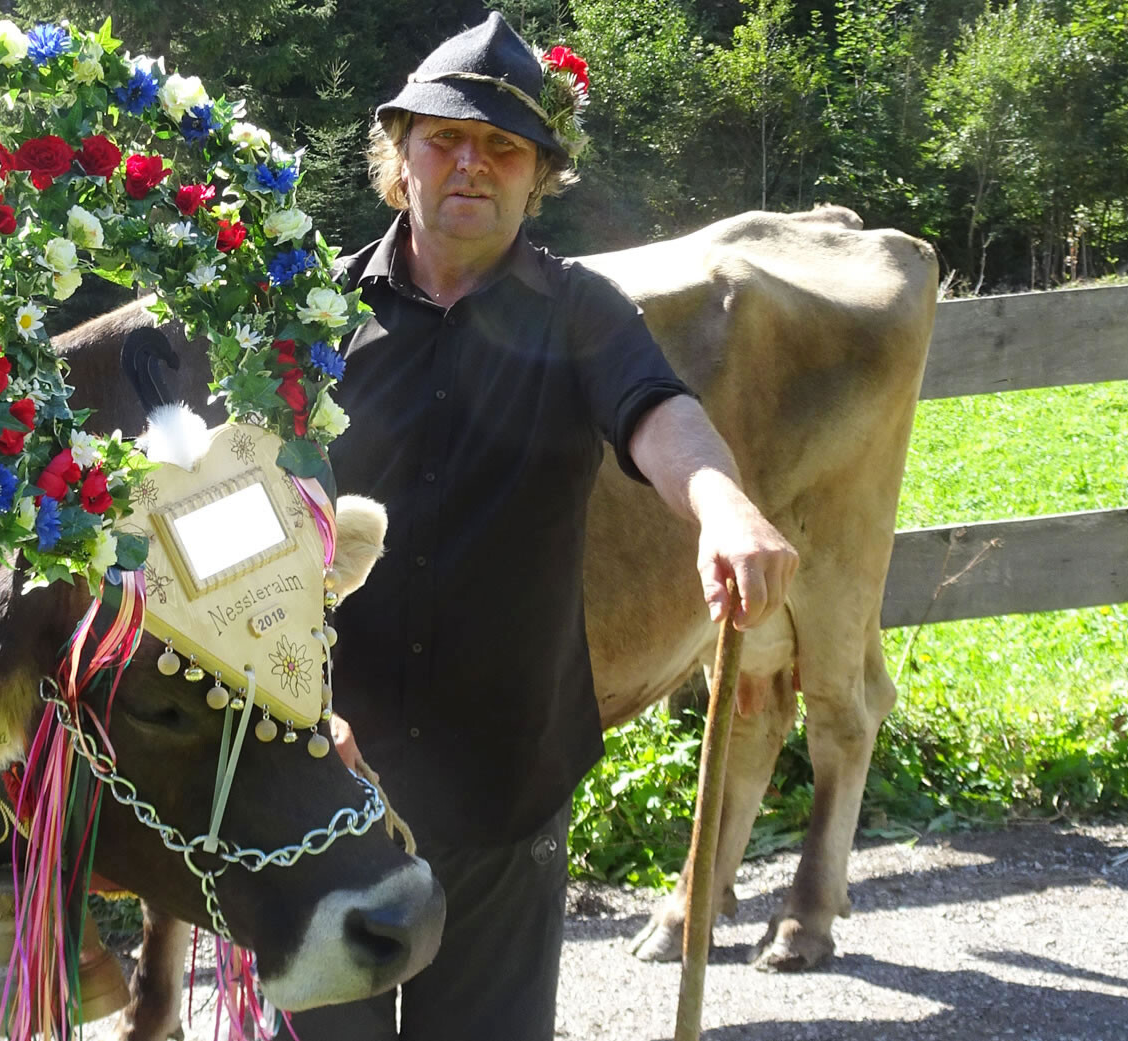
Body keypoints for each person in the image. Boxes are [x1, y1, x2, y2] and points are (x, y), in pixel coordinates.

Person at [298, 13, 800, 1040]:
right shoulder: (313, 317)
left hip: (501, 786)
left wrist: (721, 504)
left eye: (502, 146)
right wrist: (281, 708)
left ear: (537, 179)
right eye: (444, 138)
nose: (469, 164)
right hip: (320, 789)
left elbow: (660, 415)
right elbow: (242, 514)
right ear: (399, 158)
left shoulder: (581, 314)